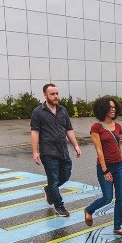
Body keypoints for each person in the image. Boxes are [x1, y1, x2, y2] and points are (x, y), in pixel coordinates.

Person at [30, 83, 82, 217]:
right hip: (48, 152)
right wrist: (35, 151)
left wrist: (76, 145)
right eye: (52, 94)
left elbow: (68, 129)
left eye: (57, 93)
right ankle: (59, 206)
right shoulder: (38, 112)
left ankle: (49, 190)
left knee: (65, 176)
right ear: (45, 95)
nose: (55, 96)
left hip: (63, 151)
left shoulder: (62, 110)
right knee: (53, 180)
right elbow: (35, 132)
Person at [84, 96, 122, 237]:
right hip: (105, 167)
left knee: (120, 197)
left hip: (119, 165)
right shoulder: (96, 128)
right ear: (103, 109)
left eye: (114, 106)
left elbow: (118, 146)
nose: (113, 109)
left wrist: (119, 158)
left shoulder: (118, 127)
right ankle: (89, 210)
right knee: (108, 198)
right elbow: (99, 150)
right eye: (110, 107)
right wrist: (105, 170)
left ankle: (117, 227)